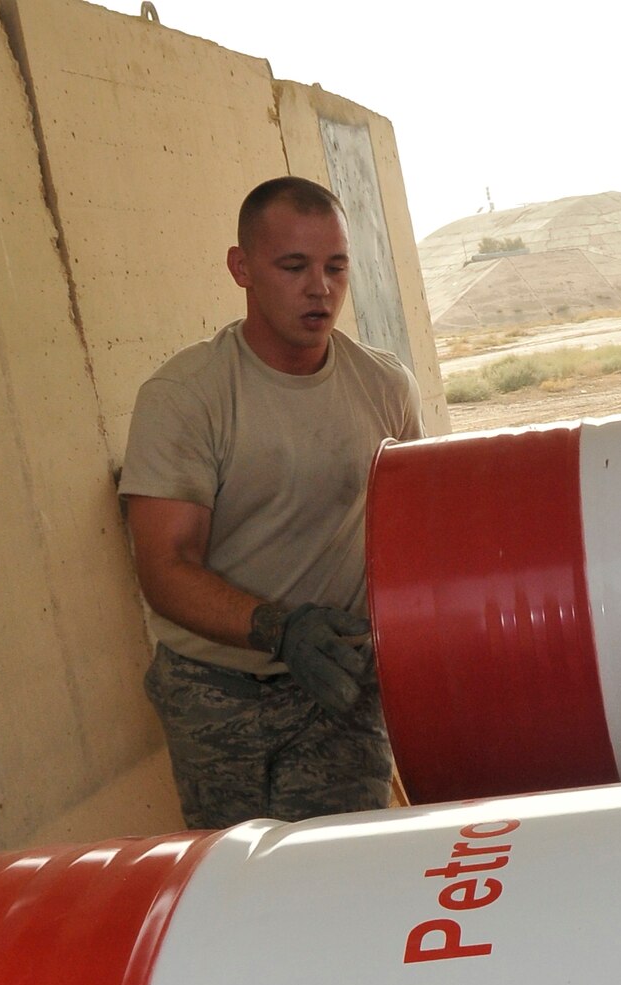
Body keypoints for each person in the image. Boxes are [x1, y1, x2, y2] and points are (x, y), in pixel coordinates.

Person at [120, 175, 424, 828]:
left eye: (335, 266)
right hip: (218, 694)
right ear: (242, 268)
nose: (320, 288)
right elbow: (164, 567)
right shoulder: (186, 397)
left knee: (347, 873)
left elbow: (413, 535)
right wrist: (280, 629)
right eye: (294, 266)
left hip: (338, 693)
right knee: (246, 894)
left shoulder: (384, 387)